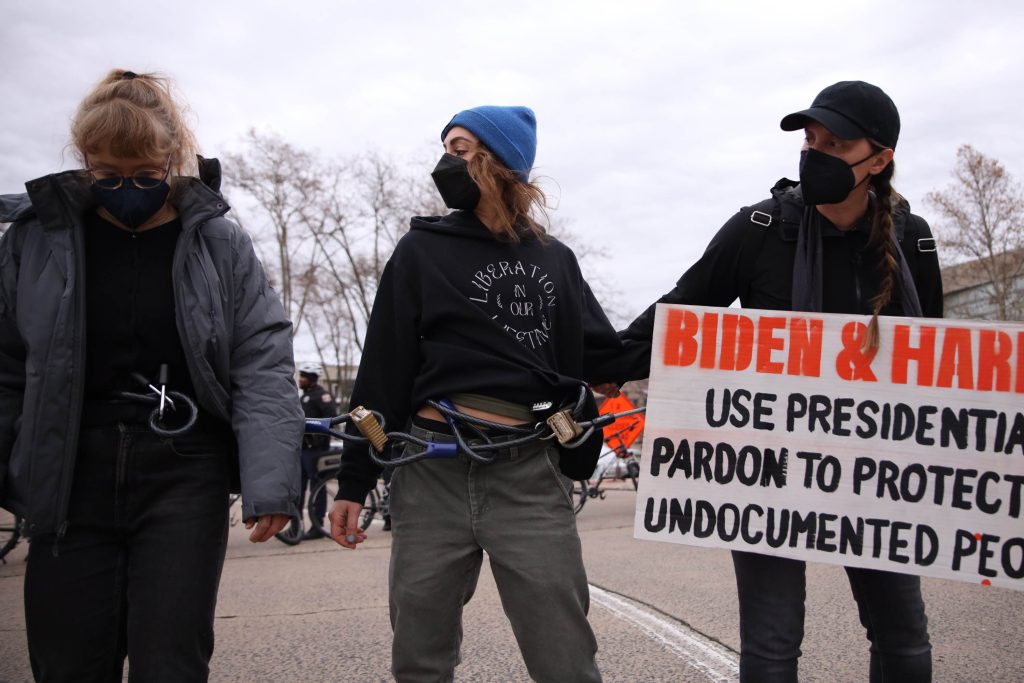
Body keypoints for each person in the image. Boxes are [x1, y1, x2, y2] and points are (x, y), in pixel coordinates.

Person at [610, 81, 942, 682]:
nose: (814, 153)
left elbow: (940, 365)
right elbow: (674, 318)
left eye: (834, 143)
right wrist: (591, 365)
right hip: (771, 473)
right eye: (810, 139)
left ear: (880, 159)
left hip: (877, 473)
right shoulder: (758, 229)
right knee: (771, 648)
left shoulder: (911, 239)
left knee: (904, 640)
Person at [0, 69, 303, 682]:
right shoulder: (35, 240)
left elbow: (262, 360)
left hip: (184, 470)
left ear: (173, 159)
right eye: (106, 175)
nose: (126, 189)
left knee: (172, 659)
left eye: (145, 175)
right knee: (67, 660)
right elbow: (6, 364)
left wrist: (272, 480)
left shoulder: (219, 243)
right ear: (83, 163)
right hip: (68, 474)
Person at [328, 105, 622, 682]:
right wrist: (357, 480)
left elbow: (605, 356)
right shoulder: (420, 251)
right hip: (429, 471)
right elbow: (380, 371)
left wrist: (685, 349)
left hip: (531, 473)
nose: (446, 162)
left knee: (566, 659)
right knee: (419, 655)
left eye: (461, 149)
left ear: (503, 161)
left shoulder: (554, 259)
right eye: (446, 148)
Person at [297, 363, 336, 539]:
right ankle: (295, 526)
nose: (300, 379)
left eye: (303, 376)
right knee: (298, 489)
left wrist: (319, 442)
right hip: (302, 450)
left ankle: (317, 525)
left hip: (316, 451)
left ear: (312, 378)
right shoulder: (304, 397)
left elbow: (331, 421)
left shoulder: (322, 396)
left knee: (317, 489)